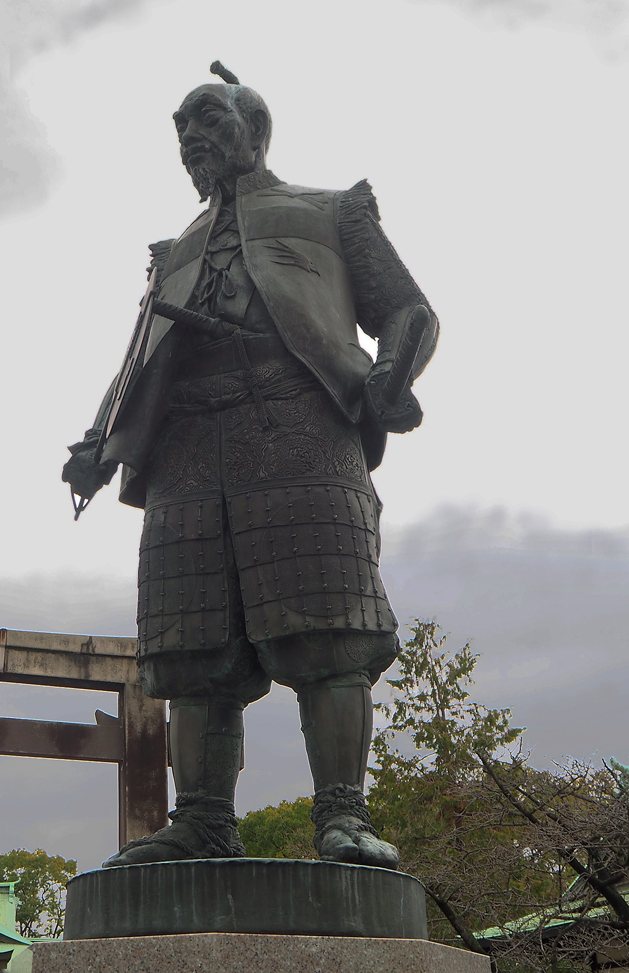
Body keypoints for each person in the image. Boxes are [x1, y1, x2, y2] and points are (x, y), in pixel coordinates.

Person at [62, 63, 437, 870]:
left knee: (328, 631)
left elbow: (409, 309)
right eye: (181, 130)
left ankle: (342, 815)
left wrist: (388, 378)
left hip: (301, 432)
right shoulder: (177, 249)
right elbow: (137, 357)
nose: (191, 139)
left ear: (255, 128)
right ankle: (200, 818)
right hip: (188, 452)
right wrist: (97, 440)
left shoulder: (332, 212)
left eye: (206, 120)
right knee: (190, 646)